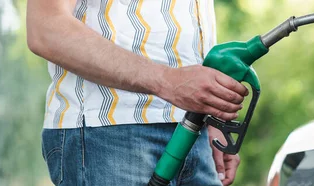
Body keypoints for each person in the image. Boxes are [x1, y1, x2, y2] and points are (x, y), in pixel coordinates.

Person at [26, 0, 246, 185]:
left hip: (192, 131)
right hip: (109, 134)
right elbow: (46, 28)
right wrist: (168, 81)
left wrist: (209, 115)